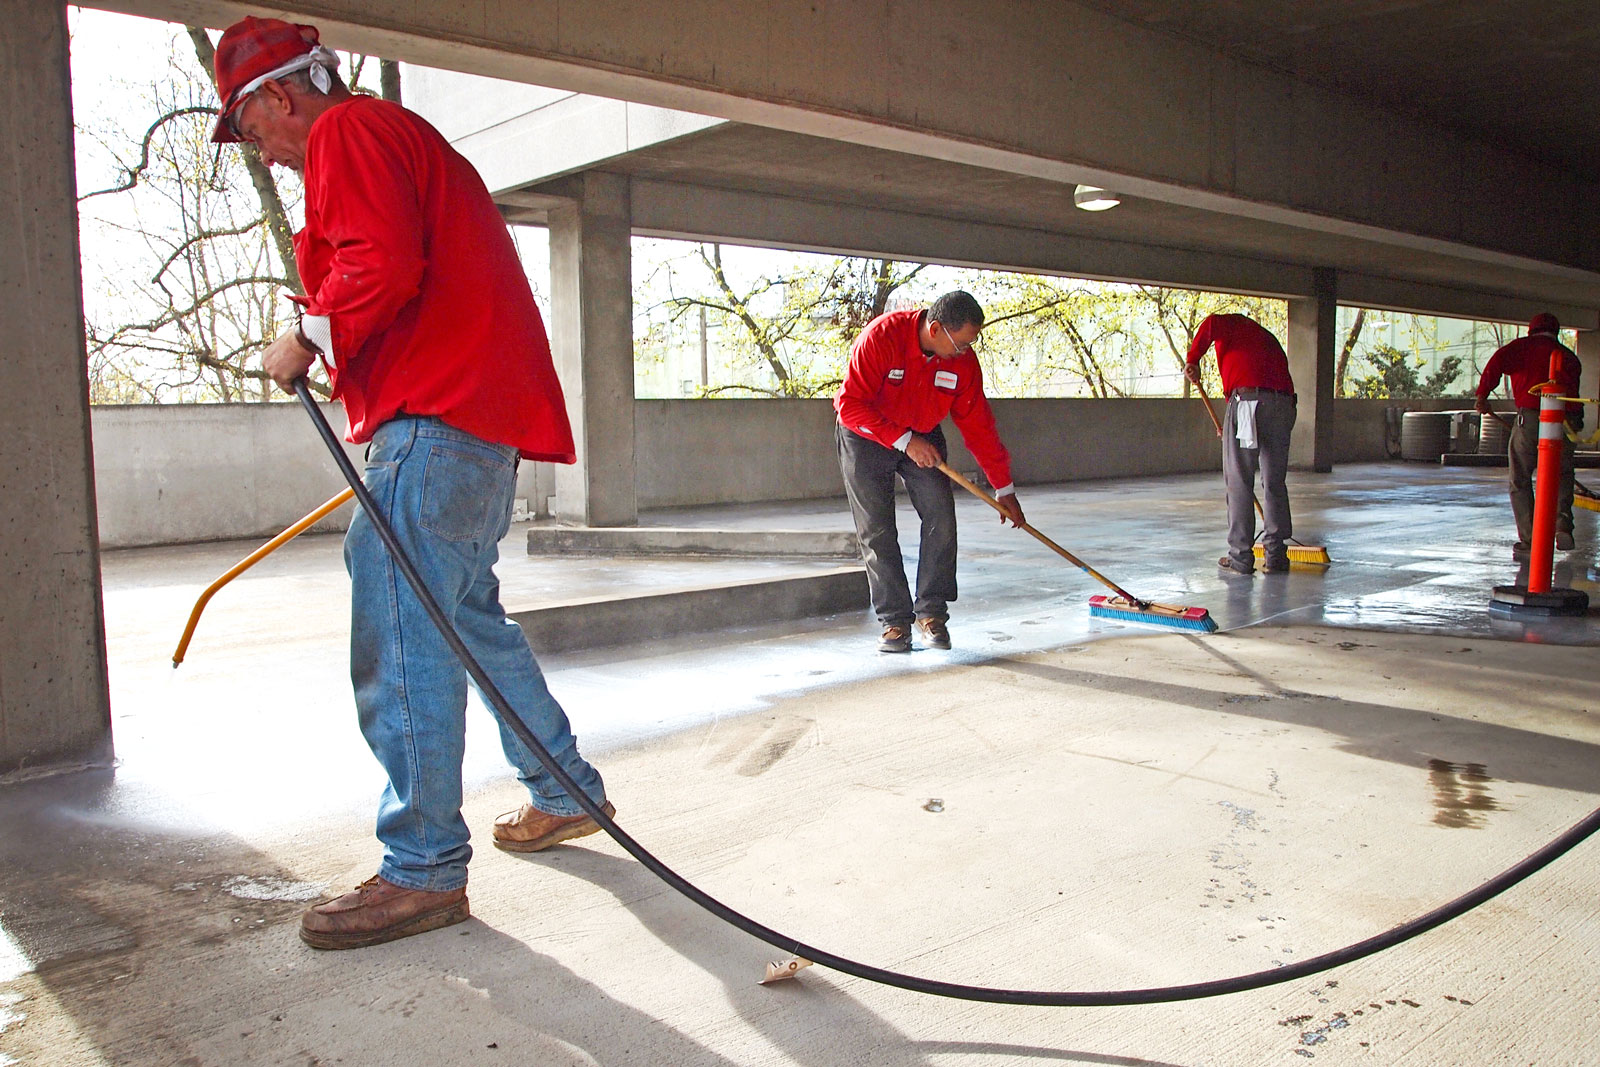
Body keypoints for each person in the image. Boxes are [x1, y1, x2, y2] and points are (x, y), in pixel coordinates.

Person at [210, 17, 611, 950]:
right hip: (470, 418)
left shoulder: (349, 132)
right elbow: (391, 259)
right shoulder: (398, 141)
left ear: (279, 92)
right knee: (463, 616)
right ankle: (564, 788)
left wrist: (307, 334)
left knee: (396, 614)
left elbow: (380, 264)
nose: (257, 151)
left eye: (249, 124)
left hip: (439, 418)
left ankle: (422, 865)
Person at [834, 291, 1025, 653]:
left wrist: (1004, 488)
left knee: (941, 514)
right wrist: (903, 441)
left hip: (922, 431)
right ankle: (895, 622)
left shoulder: (962, 363)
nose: (965, 352)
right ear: (935, 329)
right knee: (877, 528)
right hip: (866, 433)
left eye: (971, 343)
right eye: (961, 343)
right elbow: (849, 405)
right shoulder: (881, 338)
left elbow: (979, 425)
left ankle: (932, 614)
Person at [1184, 312, 1296, 575]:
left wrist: (1193, 360)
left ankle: (1241, 557)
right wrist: (1233, 427)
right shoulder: (1265, 338)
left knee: (1239, 480)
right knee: (1274, 481)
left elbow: (1210, 323)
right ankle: (1276, 554)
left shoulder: (1230, 325)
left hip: (1247, 403)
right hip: (1283, 405)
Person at [1474, 313, 1583, 555]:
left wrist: (1483, 396)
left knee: (1520, 478)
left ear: (1531, 330)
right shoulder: (1568, 356)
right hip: (1566, 421)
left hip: (1531, 419)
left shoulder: (1520, 348)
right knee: (1562, 473)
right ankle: (1562, 524)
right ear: (1556, 332)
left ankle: (1531, 539)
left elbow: (1495, 365)